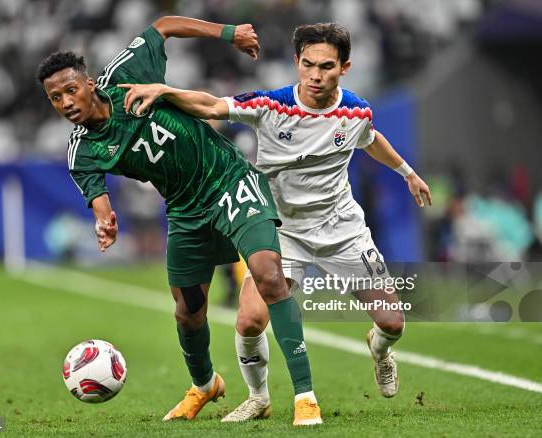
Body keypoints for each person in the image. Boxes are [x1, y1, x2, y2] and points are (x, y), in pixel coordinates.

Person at [118, 22, 432, 421]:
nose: (315, 75)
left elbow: (371, 139)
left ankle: (380, 349)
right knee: (249, 321)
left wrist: (408, 172)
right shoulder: (271, 105)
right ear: (296, 62)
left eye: (326, 67)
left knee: (393, 323)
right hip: (281, 232)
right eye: (307, 65)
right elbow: (213, 106)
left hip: (342, 232)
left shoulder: (355, 111)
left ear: (345, 67)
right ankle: (258, 397)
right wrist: (165, 91)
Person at [36, 16, 322, 426]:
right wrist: (105, 223)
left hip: (228, 179)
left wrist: (230, 34)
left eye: (70, 90)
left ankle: (305, 395)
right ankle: (205, 385)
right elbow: (98, 200)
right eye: (55, 98)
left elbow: (165, 25)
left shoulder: (125, 75)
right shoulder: (81, 152)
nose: (65, 103)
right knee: (188, 312)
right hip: (185, 211)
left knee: (268, 276)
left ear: (89, 84)